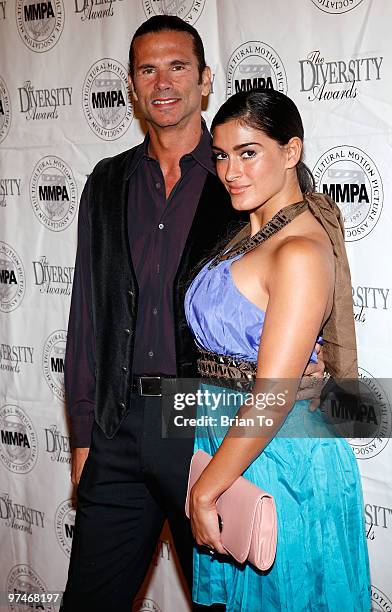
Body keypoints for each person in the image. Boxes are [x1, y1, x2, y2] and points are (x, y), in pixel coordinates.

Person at [61, 16, 324, 612]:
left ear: (205, 81)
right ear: (131, 84)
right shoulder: (106, 182)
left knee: (219, 603)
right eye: (147, 69)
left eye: (178, 66)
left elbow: (298, 280)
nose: (163, 82)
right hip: (118, 425)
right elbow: (86, 314)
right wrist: (83, 435)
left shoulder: (242, 178)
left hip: (204, 422)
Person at [185, 89, 371, 611]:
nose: (230, 171)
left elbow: (272, 396)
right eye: (221, 155)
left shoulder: (299, 250)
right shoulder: (248, 232)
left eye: (248, 153)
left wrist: (205, 492)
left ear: (291, 152)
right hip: (231, 450)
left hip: (286, 467)